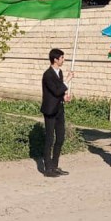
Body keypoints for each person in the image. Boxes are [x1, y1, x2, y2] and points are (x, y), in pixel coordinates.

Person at [41, 49, 73, 177]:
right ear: (55, 59)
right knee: (50, 138)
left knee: (60, 137)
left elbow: (59, 93)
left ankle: (55, 165)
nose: (63, 60)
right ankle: (48, 168)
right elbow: (55, 90)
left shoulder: (59, 72)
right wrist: (68, 80)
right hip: (50, 110)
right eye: (62, 58)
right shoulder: (48, 74)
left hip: (59, 109)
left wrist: (64, 97)